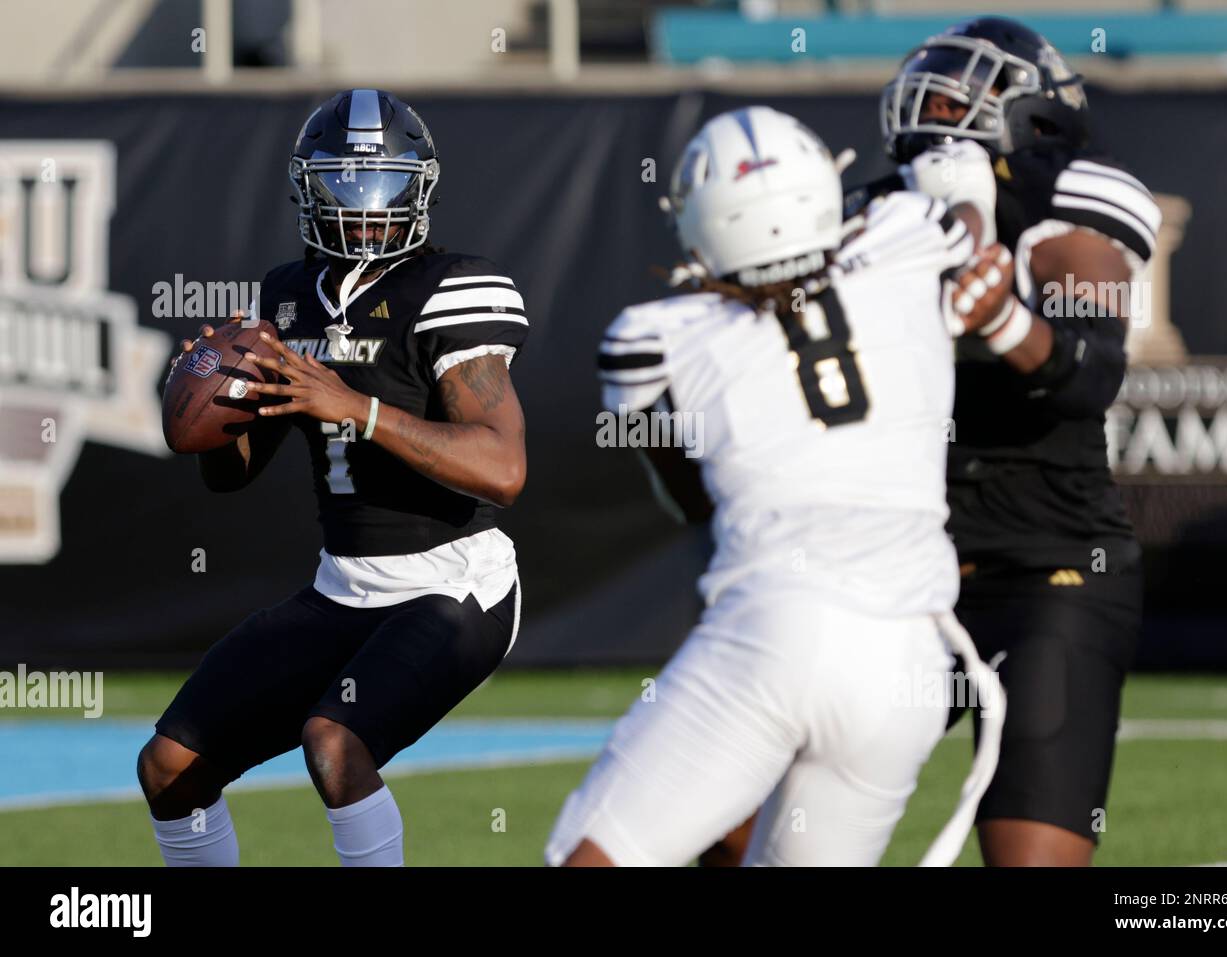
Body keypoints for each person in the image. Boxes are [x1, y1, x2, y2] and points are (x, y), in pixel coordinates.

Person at [545, 106, 1008, 867]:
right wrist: (954, 180)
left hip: (777, 629)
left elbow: (692, 498)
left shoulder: (651, 339)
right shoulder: (908, 237)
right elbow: (963, 211)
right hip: (910, 660)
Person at [136, 89, 528, 867]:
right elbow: (230, 478)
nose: (363, 208)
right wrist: (219, 397)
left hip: (453, 583)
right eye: (344, 186)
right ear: (308, 189)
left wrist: (357, 407)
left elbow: (504, 468)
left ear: (419, 186)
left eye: (382, 183)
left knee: (335, 742)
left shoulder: (451, 287)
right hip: (342, 587)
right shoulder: (287, 295)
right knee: (169, 768)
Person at [864, 17, 1162, 866]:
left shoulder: (1071, 203)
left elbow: (1084, 372)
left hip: (1051, 570)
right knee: (754, 824)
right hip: (898, 572)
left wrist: (998, 314)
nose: (936, 106)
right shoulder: (874, 211)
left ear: (1031, 111)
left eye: (964, 93)